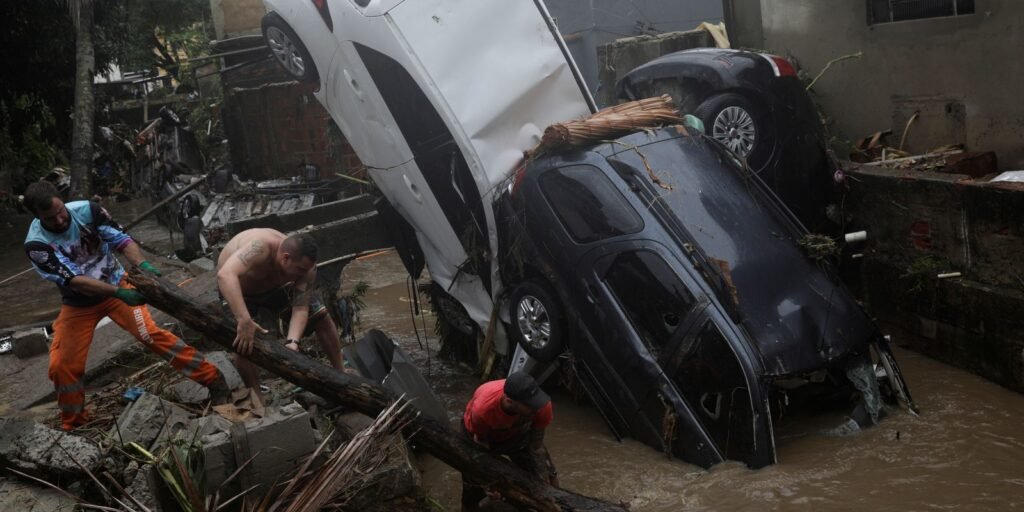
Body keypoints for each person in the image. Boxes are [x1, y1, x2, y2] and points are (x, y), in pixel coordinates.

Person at [22, 181, 230, 431]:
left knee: (149, 334)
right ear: (37, 217)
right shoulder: (37, 245)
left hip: (116, 281)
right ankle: (75, 423)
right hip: (79, 302)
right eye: (50, 218)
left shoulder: (88, 211)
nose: (59, 220)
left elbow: (121, 240)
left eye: (60, 212)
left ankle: (213, 379)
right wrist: (120, 293)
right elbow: (75, 280)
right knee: (61, 365)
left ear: (63, 202)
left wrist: (143, 266)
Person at [216, 228, 347, 403]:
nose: (303, 274)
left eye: (305, 270)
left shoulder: (306, 269)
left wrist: (293, 342)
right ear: (285, 258)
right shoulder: (260, 247)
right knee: (243, 339)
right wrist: (243, 319)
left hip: (277, 287)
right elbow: (225, 275)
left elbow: (300, 308)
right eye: (300, 269)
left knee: (320, 315)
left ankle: (341, 375)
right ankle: (256, 398)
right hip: (238, 289)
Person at [461, 371, 558, 510]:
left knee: (548, 475)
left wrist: (544, 482)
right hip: (479, 437)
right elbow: (481, 443)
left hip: (516, 433)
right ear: (510, 402)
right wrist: (489, 481)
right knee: (473, 488)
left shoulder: (542, 406)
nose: (537, 408)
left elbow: (536, 444)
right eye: (530, 404)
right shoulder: (483, 410)